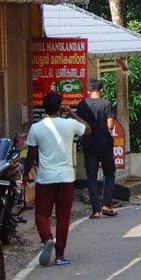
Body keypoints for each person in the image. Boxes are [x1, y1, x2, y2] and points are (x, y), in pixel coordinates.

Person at [24, 92, 90, 266]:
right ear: (60, 106)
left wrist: (25, 175)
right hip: (66, 178)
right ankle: (60, 255)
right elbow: (88, 129)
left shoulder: (36, 128)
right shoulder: (69, 124)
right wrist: (72, 114)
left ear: (45, 108)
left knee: (41, 214)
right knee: (63, 217)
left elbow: (31, 156)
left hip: (45, 178)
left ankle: (47, 239)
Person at [76, 79, 118, 219]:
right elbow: (110, 126)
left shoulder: (82, 105)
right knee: (109, 174)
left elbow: (79, 125)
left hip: (89, 144)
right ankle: (106, 205)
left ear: (88, 91)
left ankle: (95, 210)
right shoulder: (106, 104)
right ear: (101, 90)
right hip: (105, 143)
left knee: (92, 176)